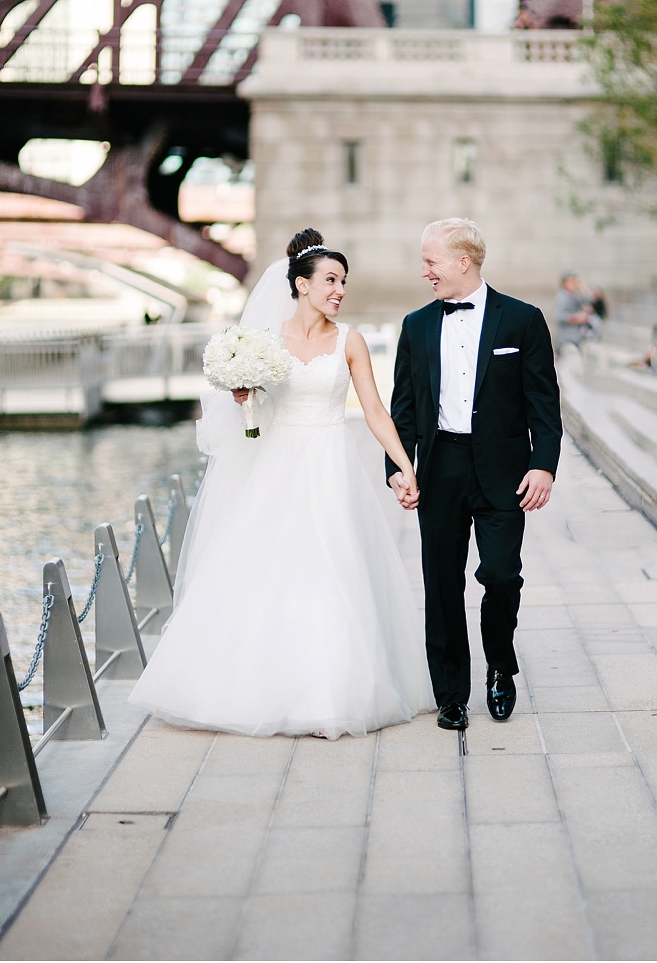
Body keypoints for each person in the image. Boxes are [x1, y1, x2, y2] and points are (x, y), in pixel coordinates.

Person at [129, 229, 435, 740]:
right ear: (301, 284)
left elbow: (375, 411)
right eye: (331, 280)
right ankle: (255, 685)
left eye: (344, 281)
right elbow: (251, 413)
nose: (340, 290)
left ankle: (330, 689)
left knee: (332, 567)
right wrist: (243, 396)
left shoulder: (350, 340)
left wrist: (405, 465)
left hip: (330, 463)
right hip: (277, 464)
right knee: (269, 568)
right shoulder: (264, 342)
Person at [386, 219, 562, 731]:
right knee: (441, 582)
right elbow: (403, 409)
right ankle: (450, 694)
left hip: (505, 472)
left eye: (431, 261)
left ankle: (501, 665)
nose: (425, 271)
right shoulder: (416, 326)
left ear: (463, 261)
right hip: (439, 468)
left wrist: (544, 465)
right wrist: (398, 468)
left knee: (502, 575)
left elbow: (544, 403)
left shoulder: (522, 320)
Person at [555, 273, 598, 350]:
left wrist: (582, 286)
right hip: (567, 338)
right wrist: (577, 317)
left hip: (576, 337)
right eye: (571, 282)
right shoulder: (562, 297)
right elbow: (560, 316)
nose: (573, 284)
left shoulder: (574, 296)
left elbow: (590, 299)